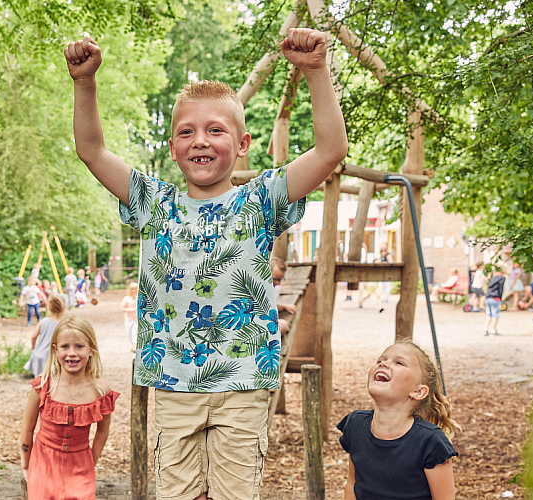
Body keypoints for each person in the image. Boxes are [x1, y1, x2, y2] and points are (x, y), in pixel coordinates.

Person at [66, 26, 346, 499]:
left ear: (241, 144)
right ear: (173, 148)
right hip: (174, 382)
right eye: (187, 131)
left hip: (243, 382)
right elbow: (91, 150)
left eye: (216, 130)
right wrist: (84, 83)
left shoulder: (261, 199)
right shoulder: (156, 203)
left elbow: (329, 151)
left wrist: (316, 72)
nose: (200, 140)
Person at [339, 342, 458, 500]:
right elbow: (352, 483)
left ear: (418, 391)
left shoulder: (430, 442)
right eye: (380, 360)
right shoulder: (355, 425)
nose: (384, 363)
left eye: (399, 362)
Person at [21, 316, 118, 499]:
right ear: (55, 350)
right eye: (65, 347)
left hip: (81, 465)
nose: (72, 353)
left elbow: (102, 432)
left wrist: (91, 461)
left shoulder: (101, 390)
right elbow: (27, 428)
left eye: (79, 346)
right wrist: (26, 465)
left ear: (91, 349)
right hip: (43, 463)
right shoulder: (43, 385)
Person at [25, 294, 66, 377]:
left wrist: (33, 346)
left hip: (38, 355)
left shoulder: (43, 321)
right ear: (63, 308)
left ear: (49, 308)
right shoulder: (62, 325)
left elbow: (34, 336)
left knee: (39, 381)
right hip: (51, 357)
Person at [270, 257, 295, 335]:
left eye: (280, 279)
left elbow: (271, 306)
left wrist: (284, 306)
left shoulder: (276, 289)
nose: (278, 283)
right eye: (275, 279)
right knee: (284, 325)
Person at [484, 268, 506, 336]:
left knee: (489, 314)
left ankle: (485, 329)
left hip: (488, 297)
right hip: (495, 297)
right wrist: (500, 298)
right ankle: (493, 330)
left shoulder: (491, 277)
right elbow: (500, 289)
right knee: (495, 314)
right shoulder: (501, 278)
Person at [121, 282, 139, 352]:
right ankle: (132, 344)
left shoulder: (138, 298)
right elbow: (123, 308)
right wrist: (132, 310)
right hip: (128, 319)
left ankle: (134, 346)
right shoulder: (126, 299)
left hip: (136, 319)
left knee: (134, 332)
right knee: (129, 333)